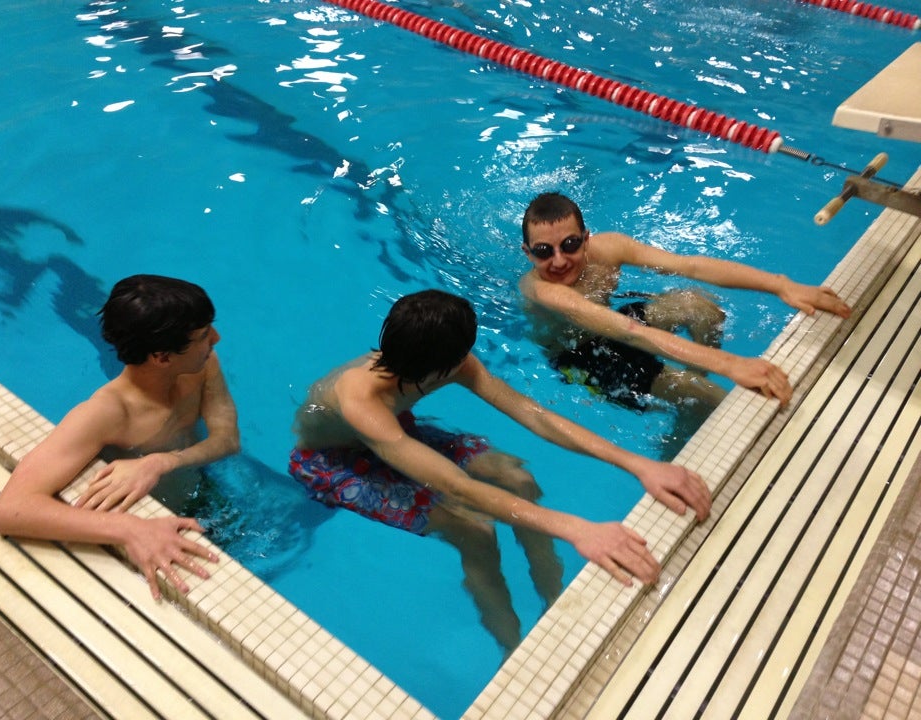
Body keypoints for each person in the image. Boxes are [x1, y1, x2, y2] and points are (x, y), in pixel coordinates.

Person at [289, 289, 710, 651]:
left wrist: (639, 465)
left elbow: (534, 415)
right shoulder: (360, 400)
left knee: (518, 479)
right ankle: (514, 647)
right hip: (333, 460)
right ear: (436, 367)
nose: (467, 360)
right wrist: (578, 528)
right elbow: (458, 487)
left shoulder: (442, 362)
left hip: (396, 432)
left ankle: (552, 601)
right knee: (475, 530)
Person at [0, 274, 240, 600]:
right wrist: (130, 528)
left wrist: (162, 461)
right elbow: (11, 510)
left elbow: (228, 438)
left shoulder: (202, 364)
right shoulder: (105, 413)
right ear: (162, 356)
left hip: (204, 493)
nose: (217, 339)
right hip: (158, 518)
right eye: (205, 335)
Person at [519, 192, 852, 413]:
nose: (560, 260)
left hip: (619, 328)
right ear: (529, 253)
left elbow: (689, 265)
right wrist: (729, 363)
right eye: (544, 252)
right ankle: (692, 410)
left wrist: (782, 285)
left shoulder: (608, 248)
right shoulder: (544, 292)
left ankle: (692, 388)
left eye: (571, 244)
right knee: (705, 396)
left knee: (701, 306)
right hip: (581, 357)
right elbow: (629, 331)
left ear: (586, 238)